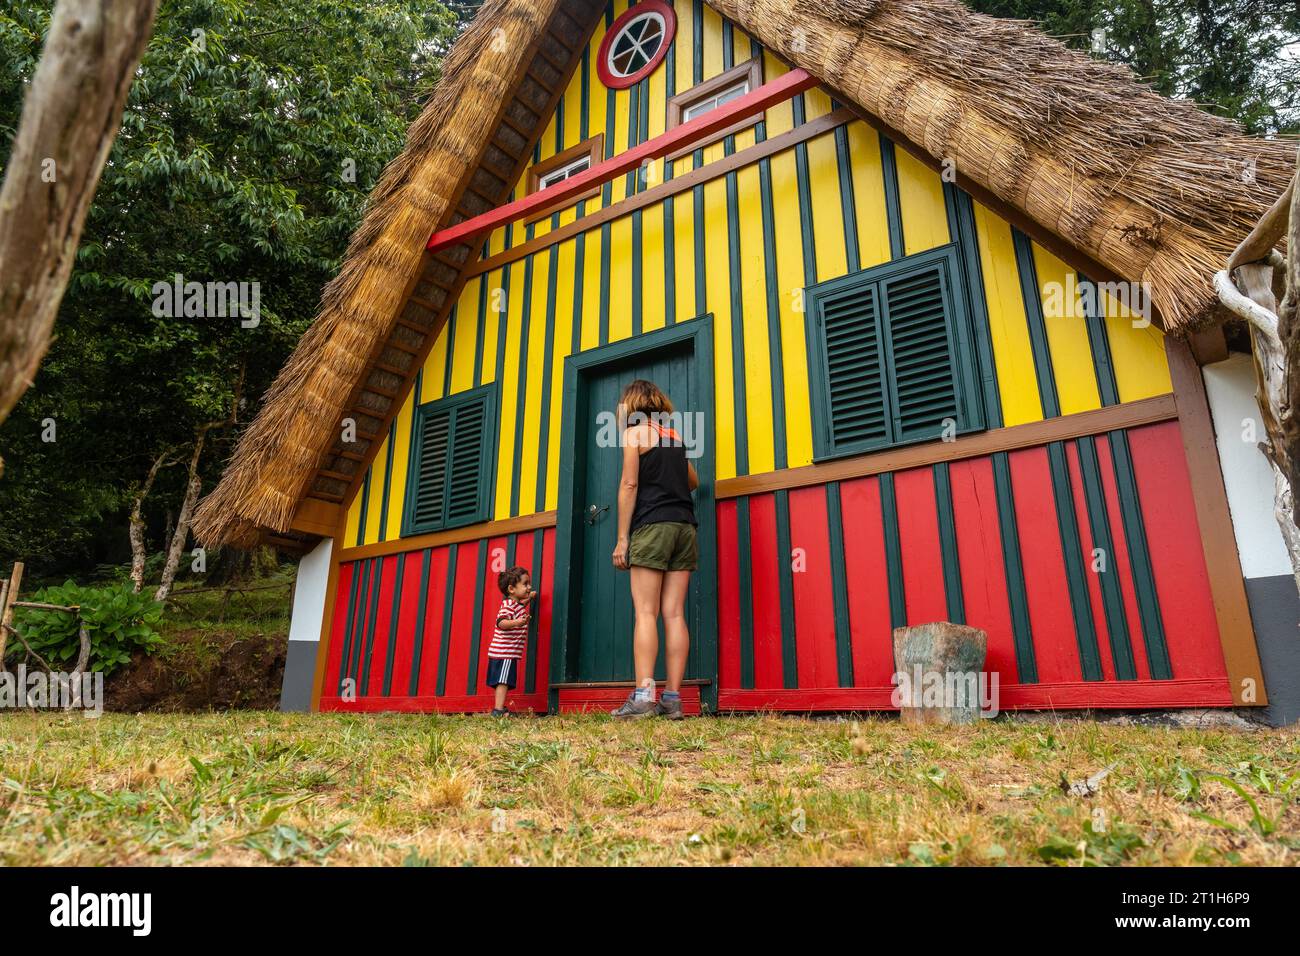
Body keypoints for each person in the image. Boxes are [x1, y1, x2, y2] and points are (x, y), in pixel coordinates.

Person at [610, 380, 699, 719]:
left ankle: (644, 697)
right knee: (674, 614)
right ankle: (673, 699)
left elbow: (630, 483)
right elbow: (693, 482)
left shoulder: (634, 434)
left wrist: (622, 538)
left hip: (653, 526)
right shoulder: (674, 437)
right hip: (685, 527)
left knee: (645, 612)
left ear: (630, 406)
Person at [486, 565, 535, 717]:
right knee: (503, 682)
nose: (529, 586)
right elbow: (501, 622)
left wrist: (530, 597)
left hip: (505, 653)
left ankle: (499, 708)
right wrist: (517, 623)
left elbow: (522, 605)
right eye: (525, 584)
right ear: (512, 589)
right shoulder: (508, 606)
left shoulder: (516, 604)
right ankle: (498, 710)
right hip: (504, 653)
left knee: (503, 681)